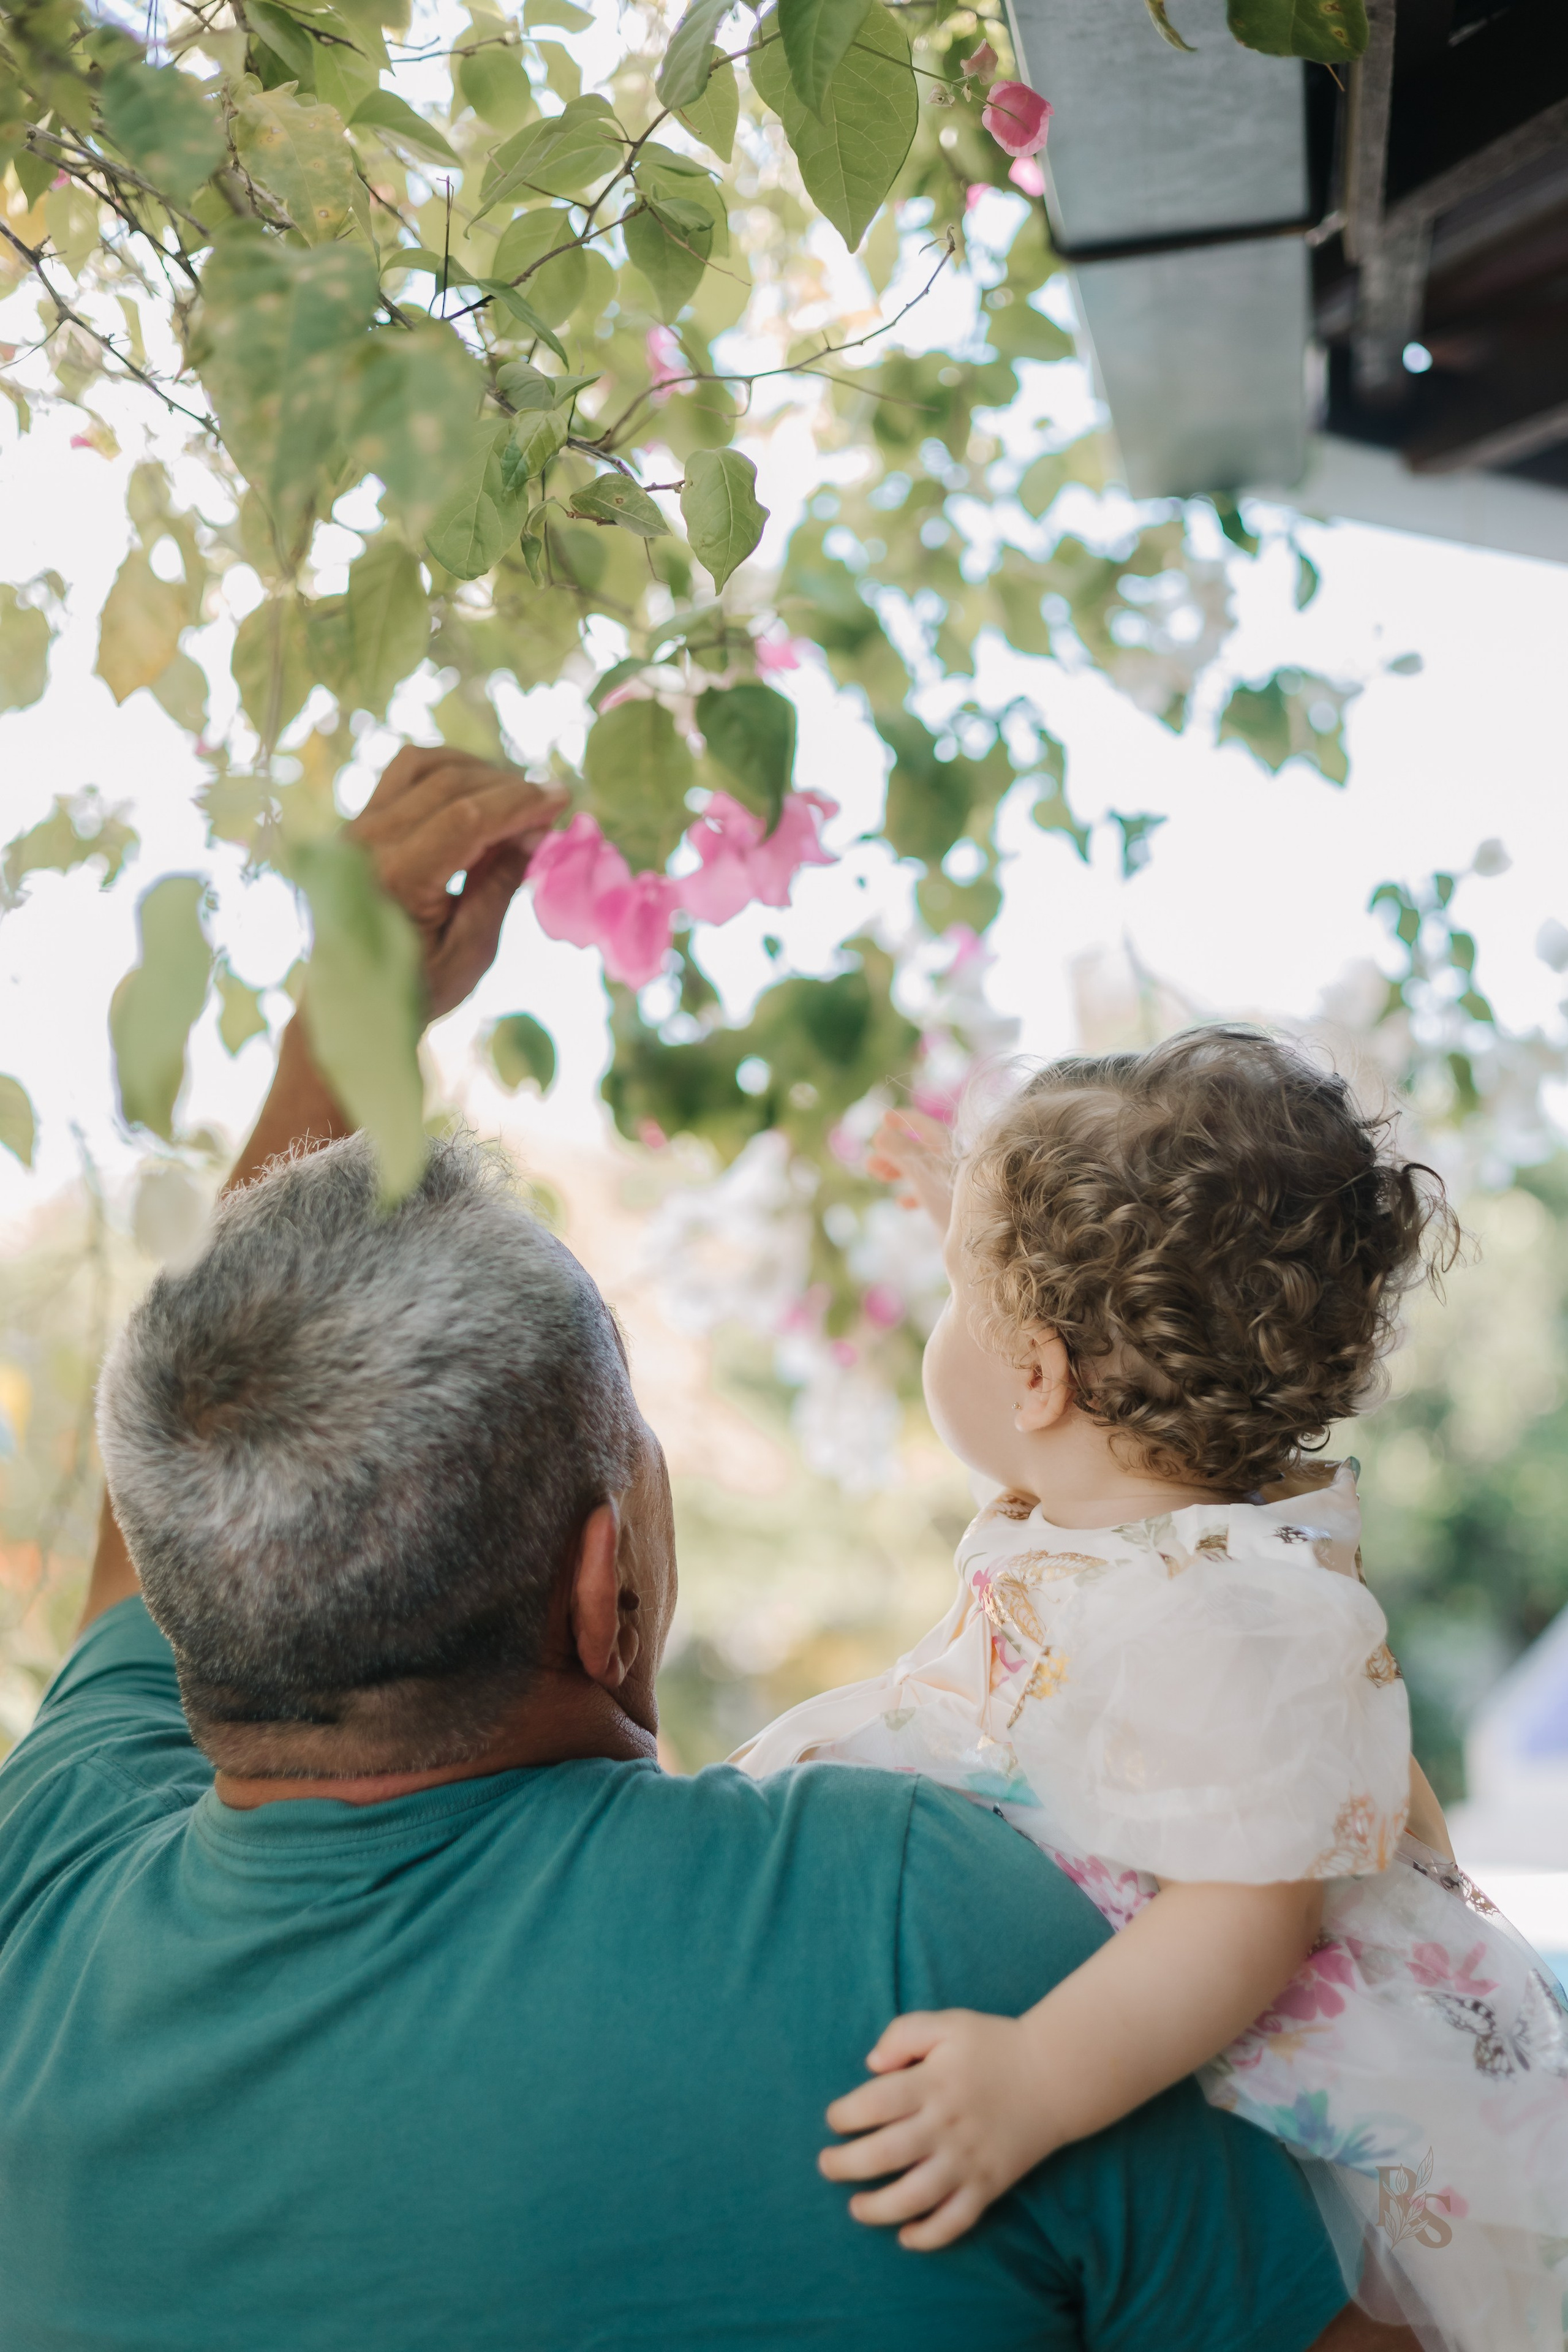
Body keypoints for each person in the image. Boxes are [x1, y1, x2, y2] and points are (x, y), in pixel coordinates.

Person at [0, 750, 1409, 2351]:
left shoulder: (42, 1879)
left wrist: (337, 1029)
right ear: (612, 1591)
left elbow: (176, 1509)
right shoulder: (921, 1935)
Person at [736, 1038, 1568, 2352]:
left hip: (1266, 2076)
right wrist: (979, 1237)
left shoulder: (1232, 1610)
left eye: (959, 1294)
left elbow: (1244, 1920)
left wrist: (1033, 2084)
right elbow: (1051, 1407)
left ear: (1037, 1377)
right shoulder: (1107, 1514)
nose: (944, 1314)